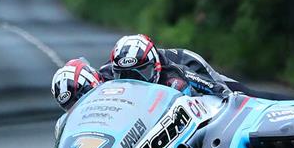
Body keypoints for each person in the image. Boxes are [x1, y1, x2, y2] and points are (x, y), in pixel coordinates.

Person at [99, 34, 232, 97]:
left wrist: (225, 94)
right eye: (123, 75)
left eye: (141, 74)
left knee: (229, 91)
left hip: (189, 63)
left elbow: (222, 93)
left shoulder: (174, 75)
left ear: (156, 67)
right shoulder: (106, 73)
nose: (132, 82)